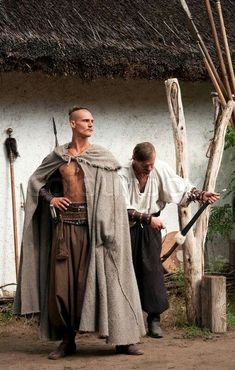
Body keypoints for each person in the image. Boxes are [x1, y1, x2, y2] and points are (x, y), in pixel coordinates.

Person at [14, 107, 146, 360]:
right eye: (85, 120)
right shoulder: (58, 157)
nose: (90, 124)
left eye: (92, 120)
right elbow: (36, 181)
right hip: (65, 230)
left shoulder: (102, 157)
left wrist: (109, 227)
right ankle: (67, 340)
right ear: (72, 124)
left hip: (97, 231)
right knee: (63, 287)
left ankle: (123, 340)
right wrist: (51, 199)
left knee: (108, 281)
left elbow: (113, 197)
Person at [119, 142, 220, 338]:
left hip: (151, 228)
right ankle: (127, 322)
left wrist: (201, 195)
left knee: (152, 271)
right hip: (126, 227)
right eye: (145, 165)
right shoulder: (121, 173)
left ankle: (154, 319)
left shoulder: (159, 168)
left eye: (152, 164)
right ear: (134, 160)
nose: (150, 168)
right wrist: (148, 219)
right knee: (125, 271)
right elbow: (121, 206)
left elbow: (180, 188)